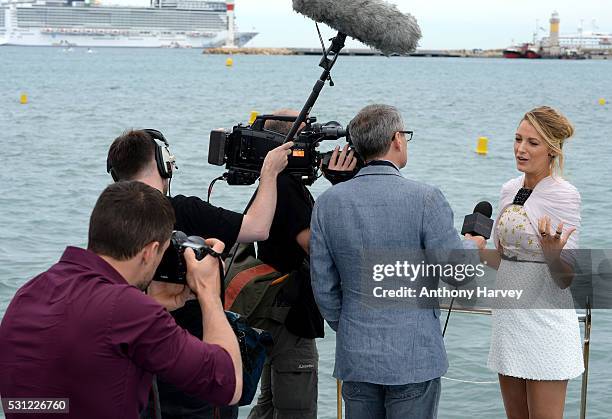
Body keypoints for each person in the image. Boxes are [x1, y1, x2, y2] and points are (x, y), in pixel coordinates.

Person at [0, 181, 242, 419]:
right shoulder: (129, 311)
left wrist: (156, 307)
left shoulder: (29, 292)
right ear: (149, 251)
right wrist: (208, 293)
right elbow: (226, 384)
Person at [309, 104, 485, 419]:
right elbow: (457, 273)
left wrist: (349, 325)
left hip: (356, 354)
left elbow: (323, 286)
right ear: (396, 140)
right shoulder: (426, 198)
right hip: (414, 355)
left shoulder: (327, 203)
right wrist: (473, 246)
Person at [106, 129, 291, 419]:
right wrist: (269, 173)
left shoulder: (110, 220)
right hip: (196, 357)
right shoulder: (184, 210)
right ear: (164, 163)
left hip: (136, 360)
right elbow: (258, 228)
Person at [248, 109, 357, 419]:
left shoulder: (273, 183)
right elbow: (315, 245)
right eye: (307, 141)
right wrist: (342, 188)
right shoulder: (287, 187)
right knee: (296, 409)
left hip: (273, 308)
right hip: (291, 315)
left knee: (269, 404)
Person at [482, 106, 583, 419]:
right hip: (508, 322)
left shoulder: (564, 195)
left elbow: (565, 278)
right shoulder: (508, 189)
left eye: (532, 143)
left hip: (545, 324)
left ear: (552, 149)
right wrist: (476, 251)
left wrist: (553, 256)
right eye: (517, 139)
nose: (521, 149)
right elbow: (506, 259)